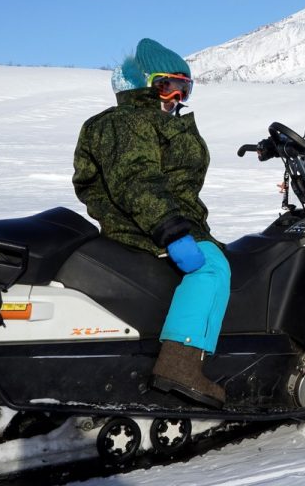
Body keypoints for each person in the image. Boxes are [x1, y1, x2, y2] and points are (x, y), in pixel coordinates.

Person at [73, 38, 230, 407]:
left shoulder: (150, 121)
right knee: (210, 269)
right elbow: (136, 179)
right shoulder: (125, 122)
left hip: (163, 219)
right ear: (142, 84)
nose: (175, 97)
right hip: (140, 226)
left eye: (183, 88)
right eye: (167, 85)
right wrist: (171, 232)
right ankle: (180, 366)